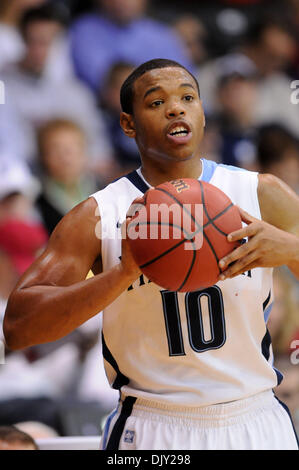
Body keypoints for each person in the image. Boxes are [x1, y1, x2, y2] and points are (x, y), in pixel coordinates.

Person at [4, 58, 299, 450]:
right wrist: (122, 274)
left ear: (202, 113)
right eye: (156, 102)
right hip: (153, 427)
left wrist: (293, 250)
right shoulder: (99, 214)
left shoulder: (260, 193)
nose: (176, 108)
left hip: (256, 421)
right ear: (128, 124)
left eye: (187, 98)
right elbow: (19, 328)